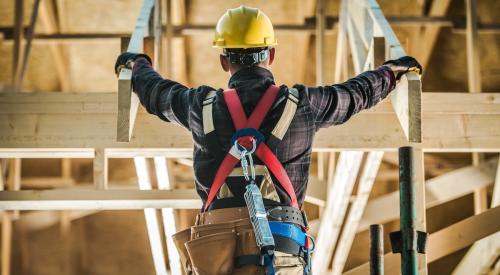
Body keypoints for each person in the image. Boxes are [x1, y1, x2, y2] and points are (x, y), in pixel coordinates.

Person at [115, 5, 422, 275]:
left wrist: (137, 64)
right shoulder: (302, 105)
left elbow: (157, 93)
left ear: (224, 60)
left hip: (215, 255)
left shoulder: (200, 106)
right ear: (271, 55)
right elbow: (354, 95)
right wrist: (390, 72)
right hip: (281, 251)